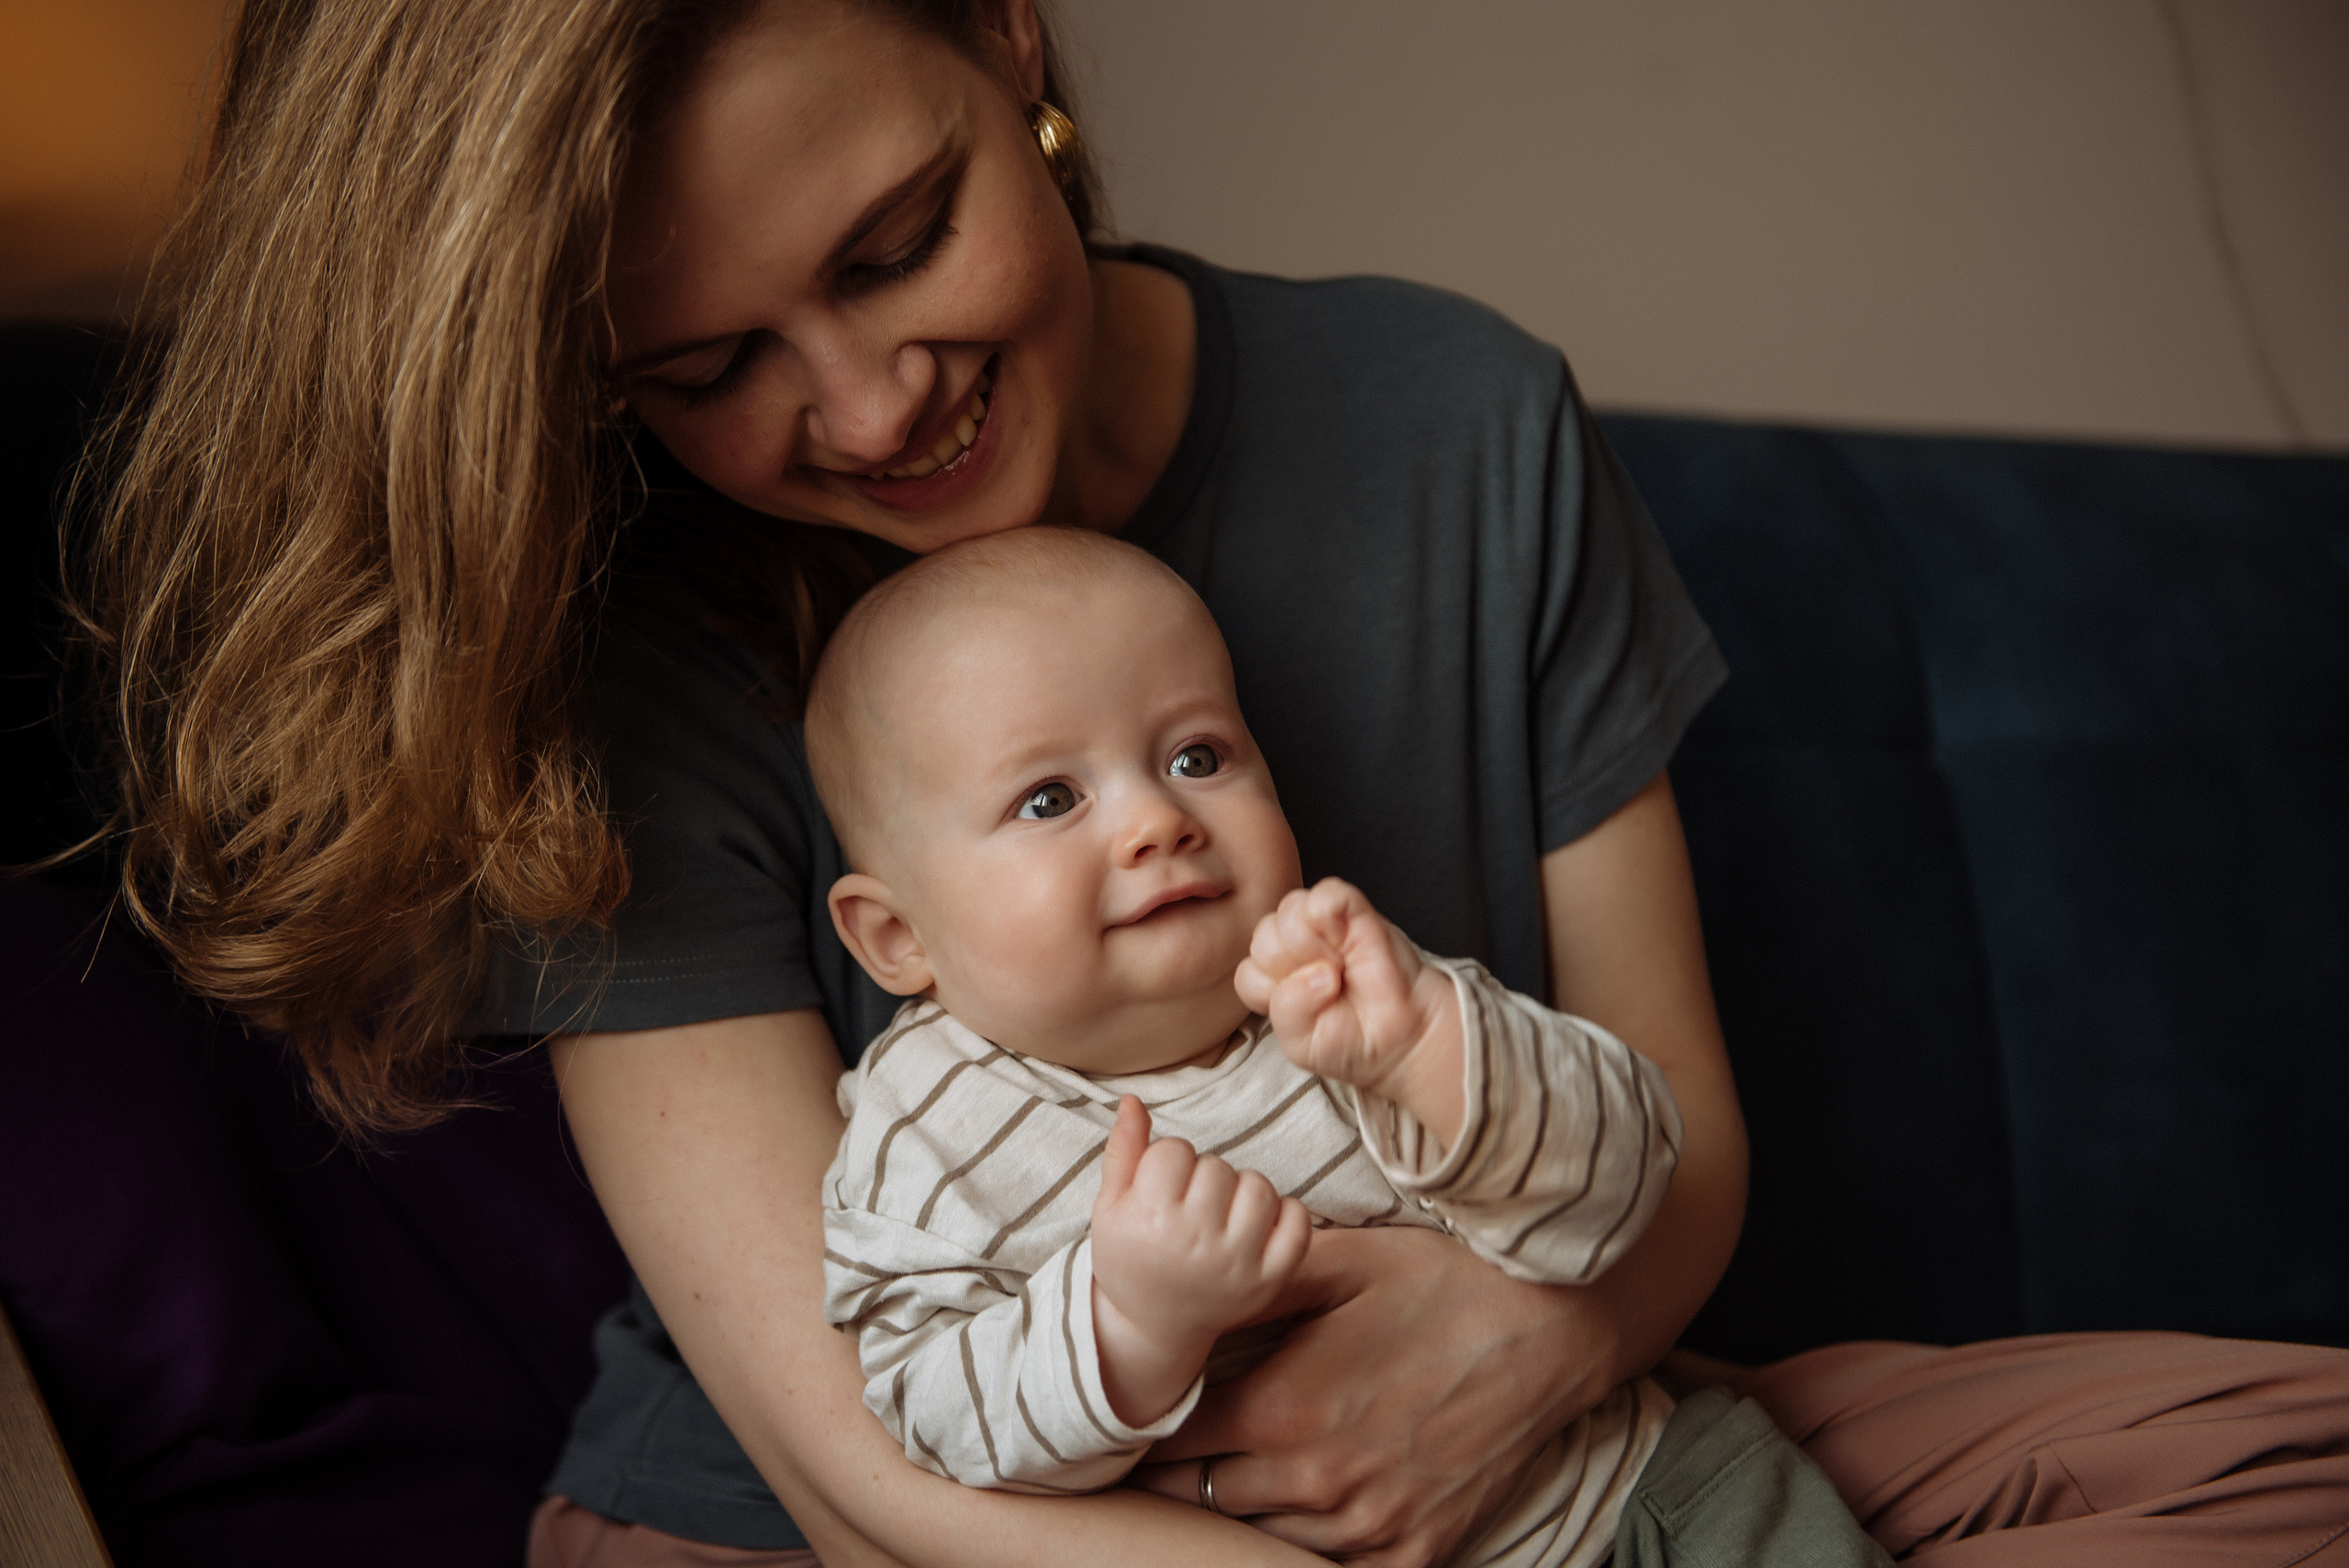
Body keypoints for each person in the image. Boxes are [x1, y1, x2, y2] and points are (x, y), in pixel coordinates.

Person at [77, 0, 2349, 1565]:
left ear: (1004, 38)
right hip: (900, 1526)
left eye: (894, 248)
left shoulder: (1452, 427)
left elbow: (1670, 1133)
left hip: (1552, 1414)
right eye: (706, 365)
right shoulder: (629, 635)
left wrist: (1506, 1365)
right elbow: (863, 1455)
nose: (863, 413)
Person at [807, 528, 1723, 1568]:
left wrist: (1448, 1066)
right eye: (1049, 798)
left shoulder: (1346, 994)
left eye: (1196, 757)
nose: (1158, 817)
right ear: (897, 936)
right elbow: (929, 1417)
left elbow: (1621, 1186)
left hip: (1627, 1502)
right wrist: (1126, 1321)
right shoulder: (925, 1127)